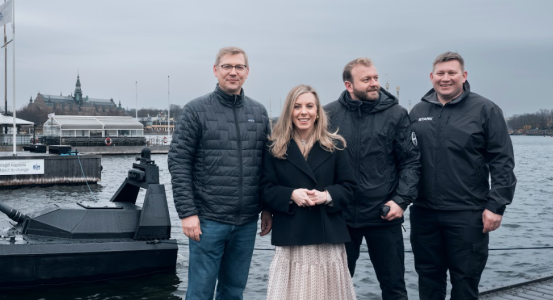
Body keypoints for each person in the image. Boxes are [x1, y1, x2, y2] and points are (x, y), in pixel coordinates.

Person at [409, 52, 516, 300]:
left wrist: (496, 206)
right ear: (432, 76)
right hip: (424, 213)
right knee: (428, 279)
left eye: (452, 73)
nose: (445, 78)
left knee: (465, 282)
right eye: (440, 73)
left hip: (468, 214)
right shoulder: (418, 111)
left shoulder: (486, 109)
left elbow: (502, 161)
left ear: (464, 75)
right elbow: (406, 160)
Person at [168, 46, 272, 300]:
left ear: (247, 72)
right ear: (216, 70)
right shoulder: (195, 110)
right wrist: (187, 213)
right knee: (200, 293)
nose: (233, 72)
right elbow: (179, 162)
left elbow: (267, 166)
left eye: (239, 67)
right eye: (227, 66)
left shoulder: (259, 113)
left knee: (234, 292)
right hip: (207, 220)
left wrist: (267, 208)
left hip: (247, 221)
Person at [324, 58, 420, 300]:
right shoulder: (328, 114)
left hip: (384, 214)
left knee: (394, 289)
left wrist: (400, 201)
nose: (374, 83)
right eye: (366, 79)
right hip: (341, 216)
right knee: (334, 291)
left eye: (375, 78)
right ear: (349, 85)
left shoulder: (397, 114)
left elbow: (411, 162)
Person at [261, 84, 358, 300]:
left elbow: (350, 188)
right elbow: (266, 189)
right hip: (291, 237)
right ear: (289, 112)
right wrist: (291, 195)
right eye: (297, 106)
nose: (303, 112)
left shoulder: (335, 145)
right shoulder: (275, 147)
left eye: (309, 106)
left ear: (317, 111)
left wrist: (327, 196)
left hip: (327, 237)